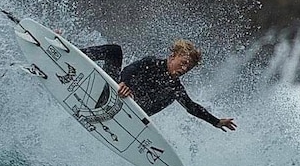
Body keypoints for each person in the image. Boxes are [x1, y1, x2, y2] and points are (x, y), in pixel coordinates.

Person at [82, 40, 237, 131]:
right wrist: (123, 83)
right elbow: (130, 69)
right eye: (183, 64)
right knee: (114, 51)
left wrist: (216, 122)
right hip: (112, 94)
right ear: (172, 57)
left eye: (188, 68)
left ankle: (133, 122)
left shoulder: (175, 87)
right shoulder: (151, 63)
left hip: (128, 115)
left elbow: (191, 107)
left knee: (173, 95)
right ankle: (66, 51)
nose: (184, 69)